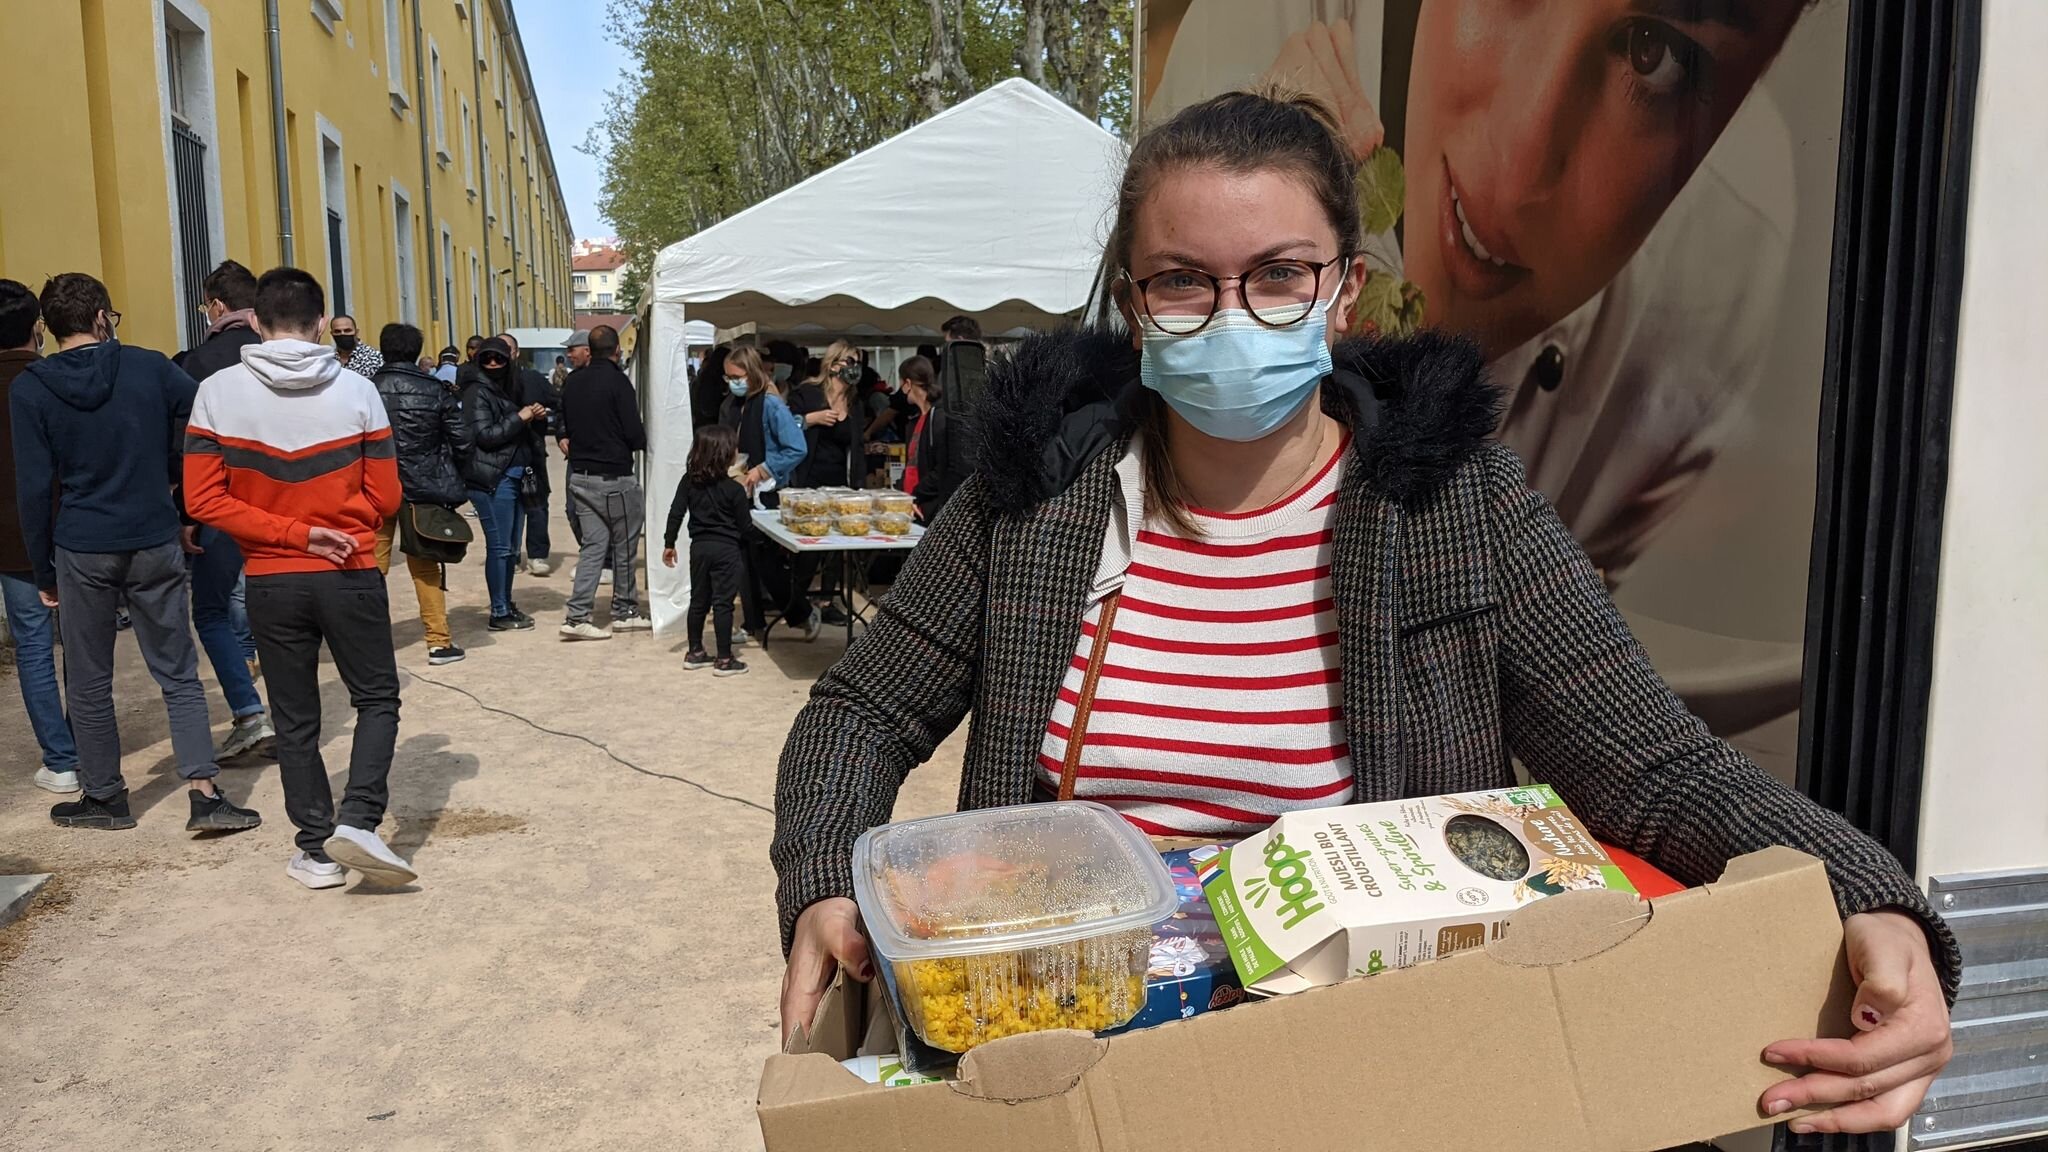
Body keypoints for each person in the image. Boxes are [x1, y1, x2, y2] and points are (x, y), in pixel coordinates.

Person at [768, 90, 1955, 1135]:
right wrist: (826, 870)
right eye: (1182, 280)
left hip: (1355, 1072)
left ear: (1342, 291)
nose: (1230, 315)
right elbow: (863, 709)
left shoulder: (1450, 505)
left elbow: (1649, 765)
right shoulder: (1034, 504)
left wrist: (1870, 896)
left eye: (1278, 273)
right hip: (1067, 1053)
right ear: (1133, 305)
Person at [184, 265, 414, 891]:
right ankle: (360, 819)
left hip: (270, 574)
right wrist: (331, 527)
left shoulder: (217, 391)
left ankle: (315, 849)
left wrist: (288, 534)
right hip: (351, 566)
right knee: (376, 698)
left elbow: (203, 501)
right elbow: (388, 495)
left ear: (255, 321)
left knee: (294, 717)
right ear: (320, 324)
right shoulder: (358, 390)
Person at [12, 273, 260, 833]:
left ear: (49, 328)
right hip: (152, 532)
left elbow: (33, 488)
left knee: (90, 677)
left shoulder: (31, 388)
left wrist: (41, 567)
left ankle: (104, 796)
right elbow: (202, 420)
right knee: (177, 671)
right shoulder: (148, 366)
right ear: (102, 315)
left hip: (81, 543)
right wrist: (175, 478)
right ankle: (203, 790)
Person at [173, 260, 277, 762]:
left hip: (221, 507)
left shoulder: (197, 363)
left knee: (213, 611)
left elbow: (187, 446)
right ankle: (292, 716)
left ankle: (249, 712)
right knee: (281, 607)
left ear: (216, 307)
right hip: (285, 501)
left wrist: (187, 511)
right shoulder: (283, 355)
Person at [0, 279, 79, 795]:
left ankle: (61, 758)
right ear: (38, 328)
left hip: (10, 540)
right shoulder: (56, 378)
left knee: (31, 644)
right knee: (80, 641)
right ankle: (90, 745)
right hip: (71, 527)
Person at [371, 322, 476, 665]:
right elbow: (462, 439)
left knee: (372, 566)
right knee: (426, 565)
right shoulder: (436, 389)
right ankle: (438, 642)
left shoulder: (365, 388)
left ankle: (368, 643)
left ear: (383, 349)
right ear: (417, 351)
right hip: (424, 486)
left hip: (374, 485)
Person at [557, 324, 650, 639]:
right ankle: (624, 611)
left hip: (580, 478)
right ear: (617, 351)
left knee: (592, 548)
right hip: (614, 478)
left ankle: (577, 617)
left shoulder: (571, 382)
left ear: (588, 350)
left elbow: (565, 426)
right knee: (624, 547)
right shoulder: (619, 382)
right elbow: (635, 434)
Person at [460, 337, 546, 631]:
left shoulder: (506, 387)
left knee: (510, 547)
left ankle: (505, 603)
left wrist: (534, 417)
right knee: (499, 547)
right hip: (493, 479)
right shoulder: (476, 391)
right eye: (487, 359)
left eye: (499, 359)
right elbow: (485, 435)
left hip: (515, 474)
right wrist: (520, 417)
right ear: (478, 360)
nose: (494, 364)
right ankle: (499, 611)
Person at [725, 346, 807, 640]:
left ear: (752, 373)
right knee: (743, 559)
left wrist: (763, 469)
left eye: (736, 376)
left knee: (767, 560)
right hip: (741, 490)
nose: (732, 381)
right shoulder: (738, 405)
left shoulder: (771, 405)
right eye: (728, 376)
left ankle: (800, 612)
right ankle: (753, 621)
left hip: (768, 492)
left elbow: (796, 447)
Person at [662, 423, 750, 677]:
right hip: (727, 551)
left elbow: (676, 513)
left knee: (698, 600)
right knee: (723, 604)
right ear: (726, 455)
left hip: (699, 549)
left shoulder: (689, 482)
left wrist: (669, 543)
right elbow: (745, 527)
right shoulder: (735, 489)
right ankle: (724, 658)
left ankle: (695, 651)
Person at [497, 331, 556, 578]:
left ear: (516, 352)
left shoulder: (532, 379)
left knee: (535, 503)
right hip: (499, 459)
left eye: (507, 350)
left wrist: (545, 412)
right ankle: (508, 554)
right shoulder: (486, 383)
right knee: (504, 509)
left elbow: (558, 405)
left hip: (529, 457)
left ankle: (536, 555)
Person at [897, 355, 973, 524]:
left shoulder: (939, 418)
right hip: (913, 505)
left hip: (929, 508)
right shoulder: (916, 420)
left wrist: (917, 495)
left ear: (907, 384)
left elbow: (942, 469)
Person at [330, 313, 383, 377]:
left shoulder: (374, 357)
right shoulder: (329, 359)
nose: (342, 334)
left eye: (347, 330)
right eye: (337, 331)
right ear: (332, 334)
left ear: (356, 332)